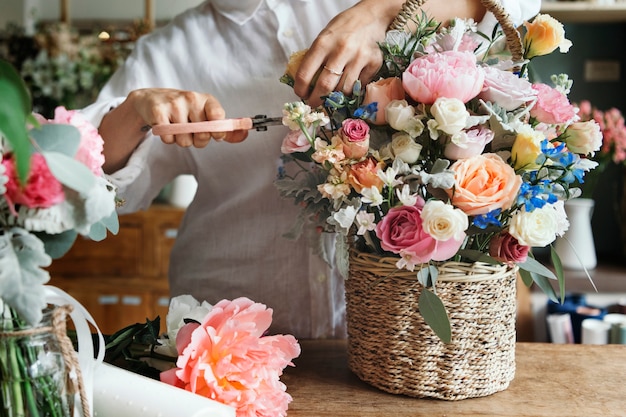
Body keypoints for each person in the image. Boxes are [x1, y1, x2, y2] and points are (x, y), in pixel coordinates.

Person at [82, 0, 541, 338]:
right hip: (229, 337)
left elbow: (519, 5)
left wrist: (381, 12)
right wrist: (132, 113)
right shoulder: (169, 51)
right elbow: (92, 199)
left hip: (397, 339)